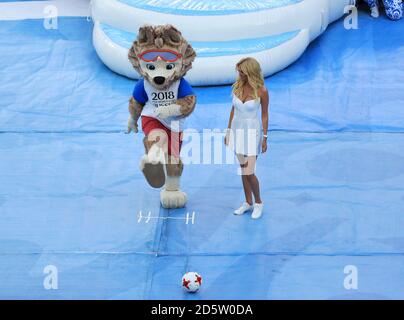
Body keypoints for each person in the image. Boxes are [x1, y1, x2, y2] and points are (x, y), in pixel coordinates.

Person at [224, 57, 269, 220]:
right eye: (238, 71)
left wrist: (265, 137)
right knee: (243, 170)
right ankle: (248, 202)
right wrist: (228, 131)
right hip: (237, 130)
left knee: (249, 171)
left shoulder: (262, 90)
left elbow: (264, 115)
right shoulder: (237, 87)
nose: (239, 74)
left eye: (242, 71)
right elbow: (233, 110)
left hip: (252, 132)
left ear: (250, 72)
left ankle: (258, 202)